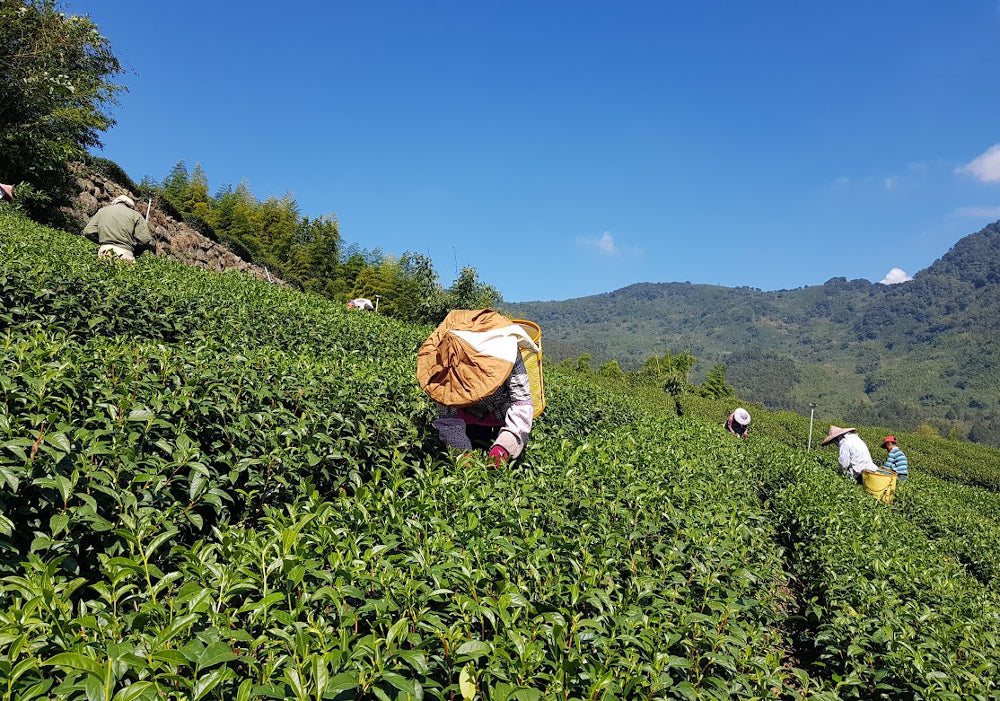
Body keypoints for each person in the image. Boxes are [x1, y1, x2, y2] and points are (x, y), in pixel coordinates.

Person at [417, 309, 538, 466]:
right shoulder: (442, 364)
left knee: (506, 461)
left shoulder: (506, 349)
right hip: (469, 413)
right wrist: (462, 455)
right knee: (474, 444)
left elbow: (521, 403)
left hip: (503, 410)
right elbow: (448, 418)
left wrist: (503, 448)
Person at [82, 195, 151, 262]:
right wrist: (135, 249)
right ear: (130, 206)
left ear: (115, 202)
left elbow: (88, 231)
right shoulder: (135, 215)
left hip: (105, 251)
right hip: (126, 253)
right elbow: (145, 239)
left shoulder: (102, 211)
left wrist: (102, 240)